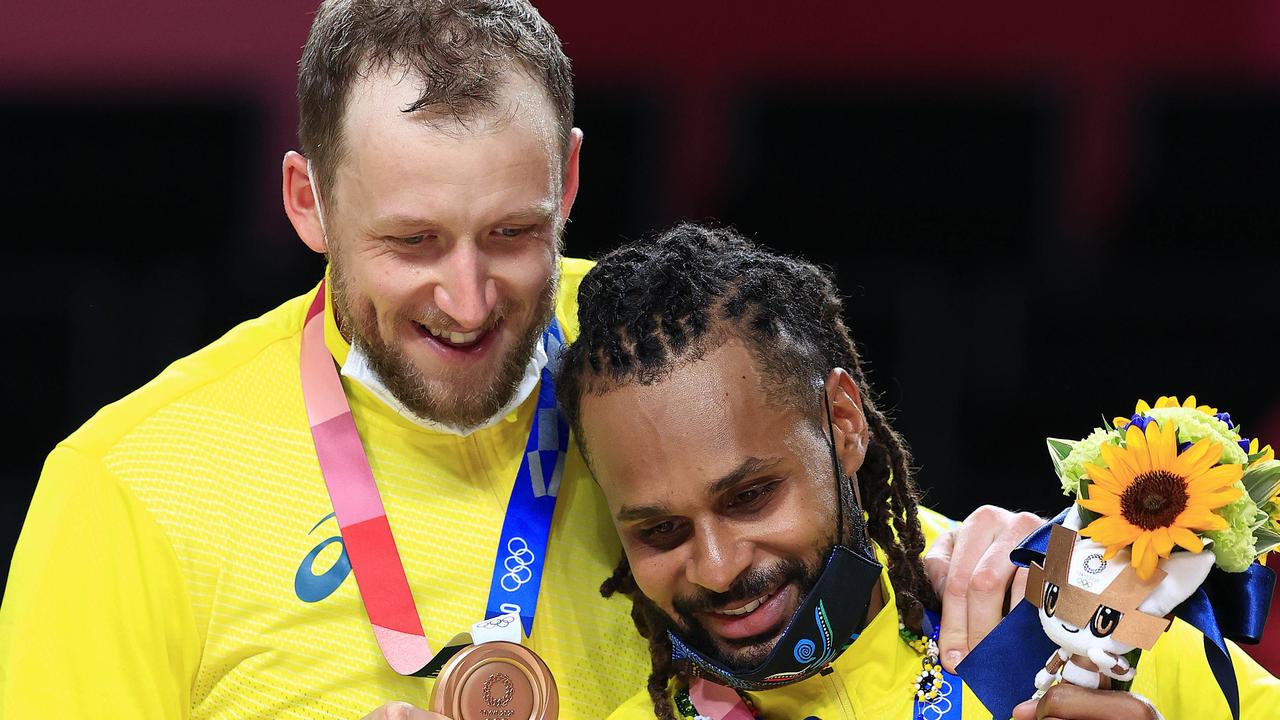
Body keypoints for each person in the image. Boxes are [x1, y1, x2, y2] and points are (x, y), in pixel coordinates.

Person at [0, 2, 1040, 718]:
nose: (466, 302)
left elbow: (842, 548)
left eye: (510, 235)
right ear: (306, 202)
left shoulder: (658, 347)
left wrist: (1009, 570)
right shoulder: (132, 488)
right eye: (410, 244)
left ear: (570, 178)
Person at [554, 223, 1280, 720]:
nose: (715, 568)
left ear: (843, 423)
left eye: (750, 496)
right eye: (661, 531)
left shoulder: (1083, 617)